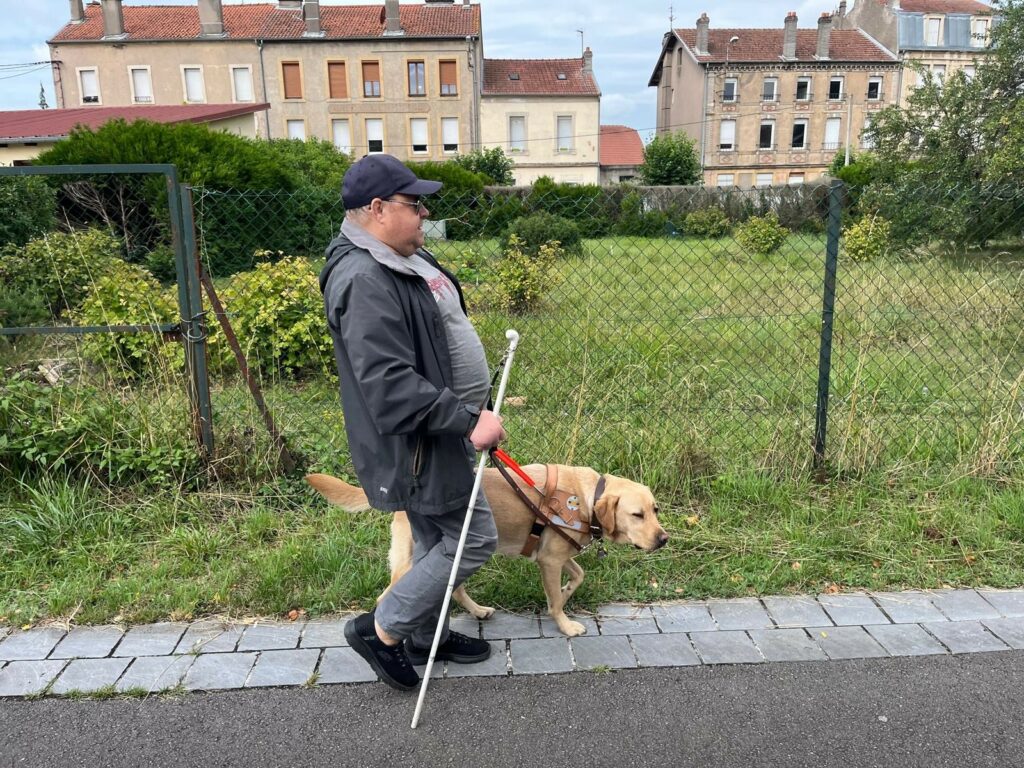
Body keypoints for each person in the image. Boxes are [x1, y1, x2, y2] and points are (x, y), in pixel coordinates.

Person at [319, 154, 506, 691]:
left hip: (439, 432)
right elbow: (389, 385)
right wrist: (467, 420)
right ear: (377, 209)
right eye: (414, 203)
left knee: (430, 540)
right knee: (471, 538)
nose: (424, 213)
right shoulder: (363, 277)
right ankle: (384, 630)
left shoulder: (399, 256)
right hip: (420, 442)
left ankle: (426, 635)